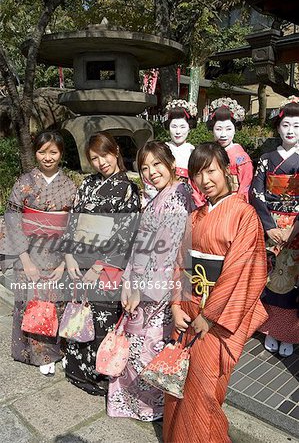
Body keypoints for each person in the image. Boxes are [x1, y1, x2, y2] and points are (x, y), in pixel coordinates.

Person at [163, 142, 268, 443]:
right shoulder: (194, 216)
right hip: (188, 309)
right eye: (198, 174)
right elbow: (180, 264)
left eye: (211, 171)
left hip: (217, 319)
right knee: (179, 383)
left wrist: (209, 317)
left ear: (225, 169)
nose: (205, 180)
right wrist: (175, 306)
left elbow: (240, 272)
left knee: (205, 391)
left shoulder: (243, 215)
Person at [107, 140, 194, 421]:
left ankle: (150, 407)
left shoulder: (179, 196)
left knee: (147, 348)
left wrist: (139, 291)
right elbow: (139, 246)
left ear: (170, 163)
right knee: (134, 347)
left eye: (157, 164)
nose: (151, 172)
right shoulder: (159, 196)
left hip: (159, 288)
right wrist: (128, 283)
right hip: (141, 282)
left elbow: (167, 255)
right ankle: (134, 404)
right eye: (145, 168)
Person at [63, 131, 140, 395]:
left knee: (100, 316)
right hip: (78, 261)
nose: (101, 162)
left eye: (104, 154)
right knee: (79, 312)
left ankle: (97, 372)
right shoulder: (86, 184)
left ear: (115, 150)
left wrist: (97, 266)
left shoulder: (128, 189)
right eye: (94, 158)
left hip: (104, 266)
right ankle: (76, 368)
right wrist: (68, 255)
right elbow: (73, 220)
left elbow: (125, 233)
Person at [0, 131, 76, 375]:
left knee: (57, 302)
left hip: (58, 253)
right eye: (42, 151)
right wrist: (24, 259)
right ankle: (38, 354)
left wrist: (65, 262)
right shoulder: (25, 182)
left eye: (53, 152)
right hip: (30, 251)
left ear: (61, 154)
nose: (47, 157)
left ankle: (58, 351)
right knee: (32, 302)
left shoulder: (70, 186)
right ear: (35, 152)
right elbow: (12, 218)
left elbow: (73, 225)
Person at [250, 97, 299, 357]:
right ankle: (268, 328)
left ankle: (289, 332)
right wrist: (268, 226)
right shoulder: (267, 157)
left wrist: (294, 229)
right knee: (268, 278)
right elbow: (256, 192)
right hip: (271, 226)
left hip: (296, 229)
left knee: (291, 281)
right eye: (286, 125)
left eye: (297, 126)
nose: (290, 130)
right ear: (278, 127)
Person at [207, 97, 253, 200]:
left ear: (235, 129)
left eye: (228, 129)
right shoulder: (208, 153)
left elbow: (245, 186)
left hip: (234, 203)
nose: (223, 134)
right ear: (212, 129)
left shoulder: (241, 158)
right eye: (218, 129)